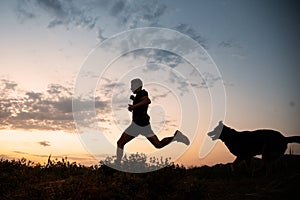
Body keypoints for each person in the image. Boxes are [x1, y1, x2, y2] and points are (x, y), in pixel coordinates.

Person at [116, 78, 190, 164]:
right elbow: (142, 105)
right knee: (158, 145)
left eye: (132, 85)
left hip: (138, 124)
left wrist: (133, 106)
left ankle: (117, 164)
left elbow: (147, 101)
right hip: (144, 125)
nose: (131, 88)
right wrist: (133, 101)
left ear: (137, 86)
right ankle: (176, 137)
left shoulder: (142, 92)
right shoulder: (138, 95)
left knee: (120, 142)